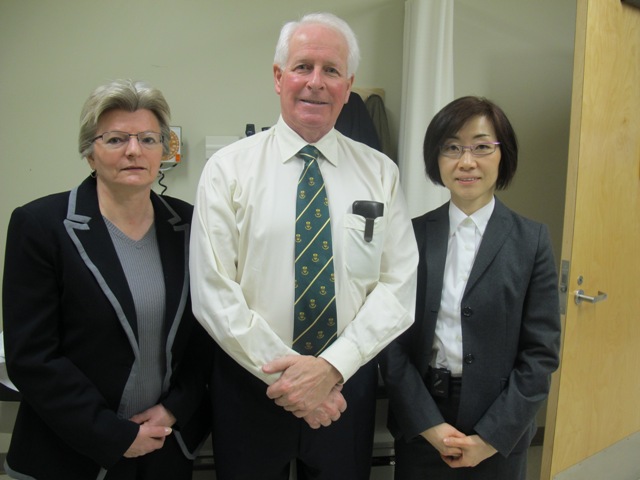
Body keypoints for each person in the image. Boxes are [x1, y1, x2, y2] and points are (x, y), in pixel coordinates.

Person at [189, 12, 418, 480]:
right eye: (302, 67)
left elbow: (398, 286)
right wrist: (292, 380)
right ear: (278, 77)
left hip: (342, 392)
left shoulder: (380, 173)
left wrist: (331, 369)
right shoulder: (228, 170)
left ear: (348, 84)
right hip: (251, 386)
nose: (316, 82)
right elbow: (214, 293)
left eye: (331, 70)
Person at [2, 79, 211, 480]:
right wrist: (112, 434)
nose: (134, 151)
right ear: (90, 154)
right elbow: (32, 356)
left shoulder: (190, 224)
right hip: (69, 453)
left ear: (163, 152)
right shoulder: (41, 225)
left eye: (148, 139)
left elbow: (206, 335)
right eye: (115, 139)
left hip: (163, 445)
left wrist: (174, 408)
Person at [379, 96, 562, 479]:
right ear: (437, 158)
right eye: (452, 147)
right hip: (423, 417)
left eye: (481, 146)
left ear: (503, 155)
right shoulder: (410, 236)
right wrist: (429, 426)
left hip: (500, 425)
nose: (466, 161)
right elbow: (391, 343)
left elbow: (540, 354)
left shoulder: (531, 241)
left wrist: (489, 439)